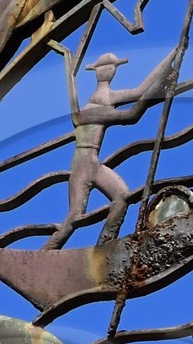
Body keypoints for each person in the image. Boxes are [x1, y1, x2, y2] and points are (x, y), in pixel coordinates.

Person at [45, 52, 141, 248]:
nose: (108, 70)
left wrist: (168, 68)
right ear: (96, 71)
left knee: (122, 196)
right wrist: (157, 85)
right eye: (104, 67)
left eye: (111, 67)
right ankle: (46, 252)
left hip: (93, 164)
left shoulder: (105, 97)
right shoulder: (98, 102)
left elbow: (140, 92)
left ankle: (104, 245)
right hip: (82, 166)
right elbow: (132, 113)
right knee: (73, 217)